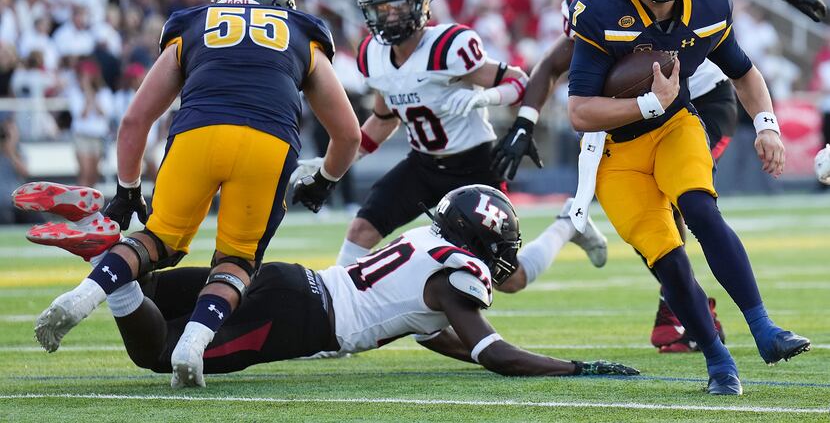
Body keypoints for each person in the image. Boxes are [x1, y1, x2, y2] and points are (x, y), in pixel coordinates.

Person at [492, 0, 827, 352]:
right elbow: (559, 66)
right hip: (630, 108)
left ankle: (692, 311)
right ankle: (677, 302)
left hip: (702, 98)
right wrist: (524, 122)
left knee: (688, 198)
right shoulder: (595, 4)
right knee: (649, 217)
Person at [23, 0, 362, 388]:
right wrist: (325, 180)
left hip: (197, 133)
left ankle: (82, 295)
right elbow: (348, 133)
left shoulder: (193, 24)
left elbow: (134, 121)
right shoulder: (300, 30)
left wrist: (127, 190)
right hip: (268, 142)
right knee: (237, 260)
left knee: (154, 240)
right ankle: (193, 343)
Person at [17, 181, 639, 381]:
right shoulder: (456, 278)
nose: (502, 258)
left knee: (153, 291)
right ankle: (111, 268)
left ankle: (108, 243)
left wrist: (470, 351)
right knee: (157, 355)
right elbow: (490, 349)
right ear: (477, 244)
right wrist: (575, 368)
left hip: (293, 280)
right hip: (302, 318)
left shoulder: (424, 245)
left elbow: (433, 333)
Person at [564, 0, 810, 395]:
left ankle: (765, 329)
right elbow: (580, 113)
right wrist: (646, 102)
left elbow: (743, 70)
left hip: (676, 126)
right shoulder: (598, 7)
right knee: (668, 258)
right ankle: (720, 365)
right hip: (616, 153)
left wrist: (767, 126)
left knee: (699, 206)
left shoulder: (709, 0)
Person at [292, 0, 608, 272]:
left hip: (475, 167)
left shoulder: (448, 46)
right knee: (360, 230)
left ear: (418, 4)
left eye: (396, 7)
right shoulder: (371, 55)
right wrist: (337, 162)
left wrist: (486, 97)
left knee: (507, 276)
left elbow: (519, 82)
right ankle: (334, 308)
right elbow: (384, 118)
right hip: (422, 164)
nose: (388, 17)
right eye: (380, 9)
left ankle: (568, 225)